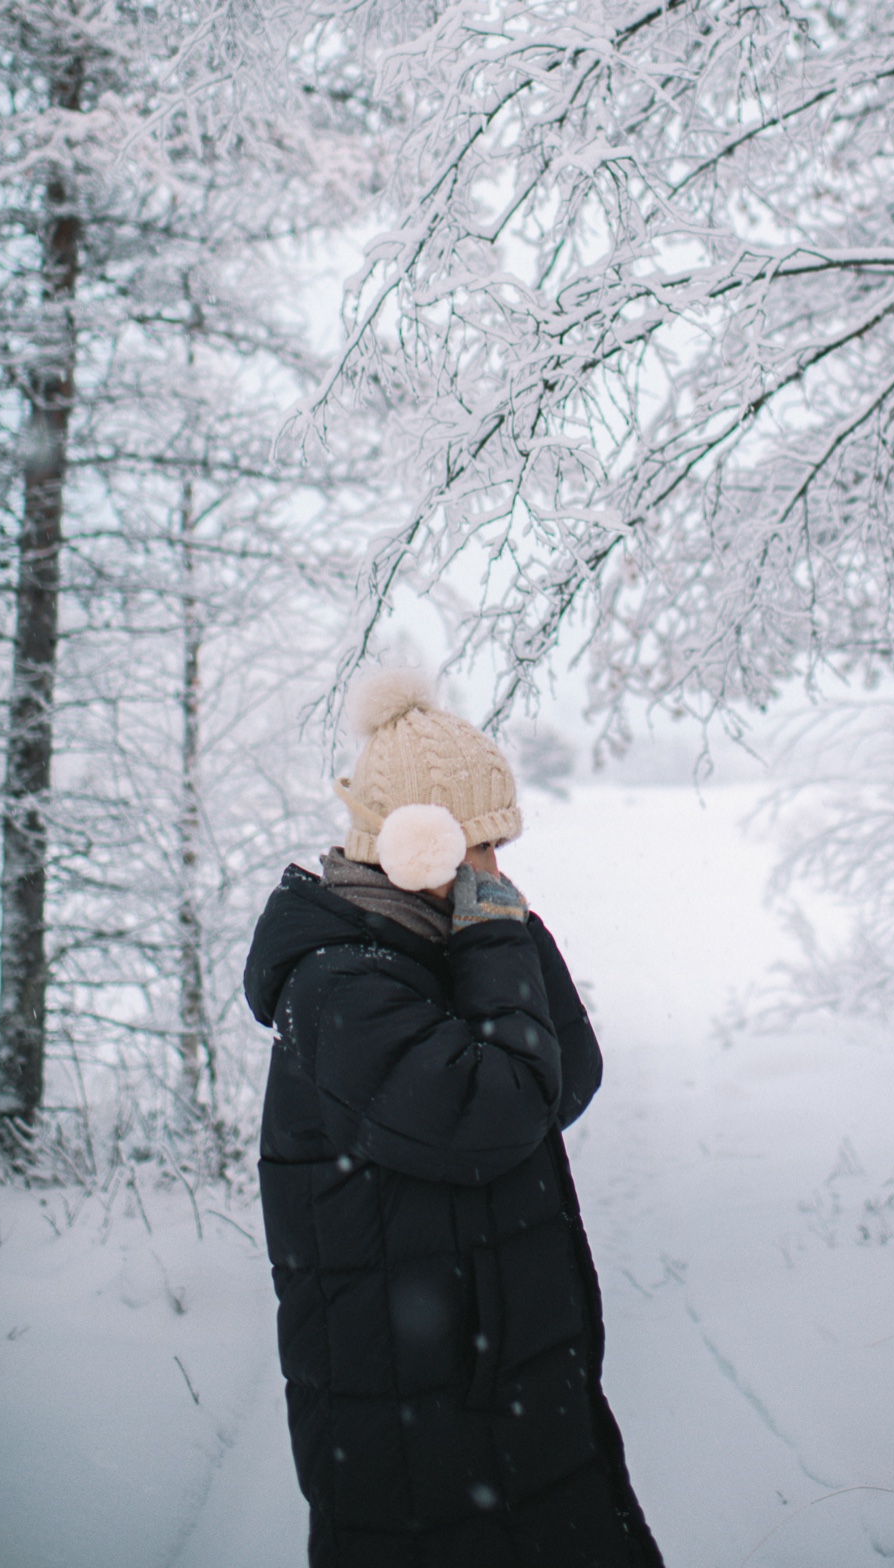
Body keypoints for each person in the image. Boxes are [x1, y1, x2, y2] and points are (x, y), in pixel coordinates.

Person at [243, 671, 665, 1568]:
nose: (494, 871)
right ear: (417, 846)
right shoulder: (342, 982)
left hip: (495, 1399)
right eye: (477, 849)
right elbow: (499, 1110)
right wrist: (491, 936)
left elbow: (568, 1074)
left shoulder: (430, 952)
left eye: (496, 848)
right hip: (416, 1433)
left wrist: (499, 927)